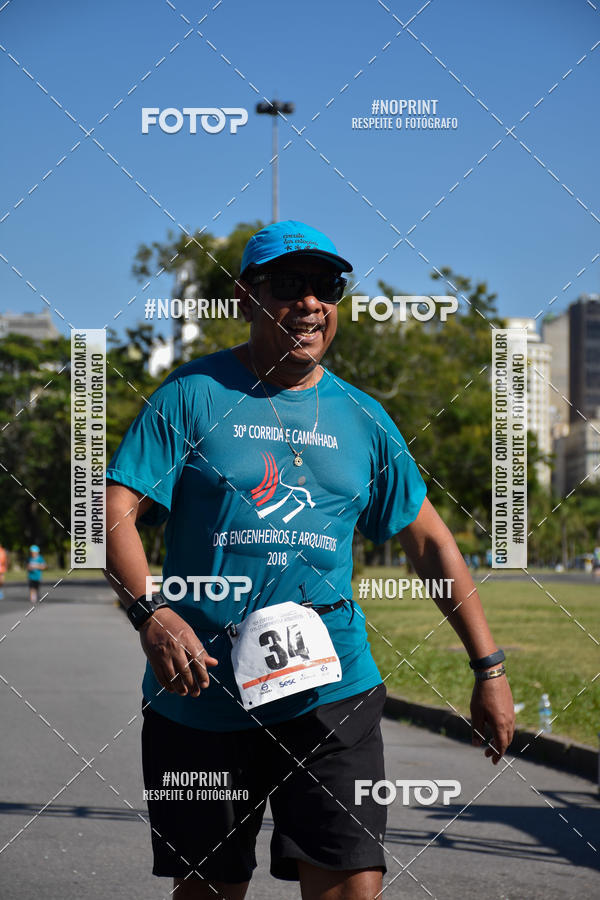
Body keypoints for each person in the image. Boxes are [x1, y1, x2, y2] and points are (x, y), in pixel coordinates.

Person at [105, 220, 515, 900]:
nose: (310, 302)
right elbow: (114, 512)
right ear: (245, 296)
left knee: (353, 885)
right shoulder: (191, 394)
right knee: (210, 890)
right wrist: (152, 613)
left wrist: (489, 667)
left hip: (333, 692)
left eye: (325, 286)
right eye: (288, 285)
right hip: (201, 694)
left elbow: (433, 544)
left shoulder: (364, 418)